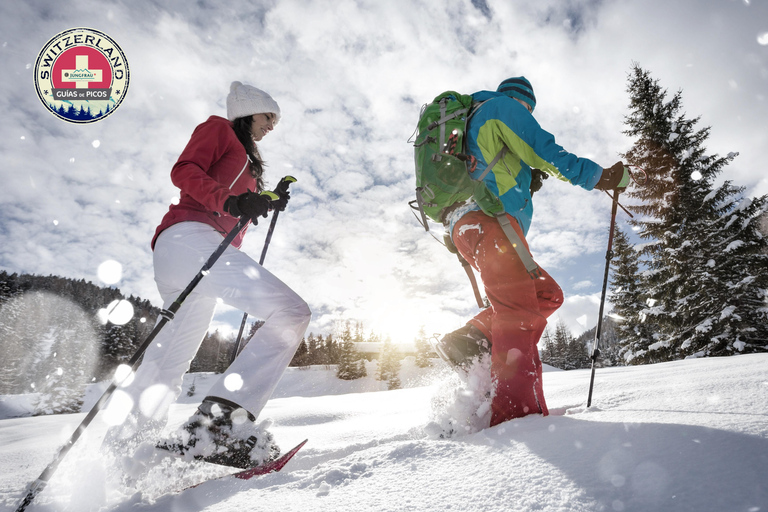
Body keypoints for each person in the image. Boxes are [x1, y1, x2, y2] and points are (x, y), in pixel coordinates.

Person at [103, 81, 311, 469]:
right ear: (249, 111)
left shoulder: (248, 161)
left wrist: (265, 200)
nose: (272, 126)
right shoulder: (219, 129)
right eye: (269, 117)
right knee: (292, 312)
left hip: (189, 250)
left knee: (170, 362)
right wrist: (232, 199)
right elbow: (185, 171)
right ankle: (219, 426)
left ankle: (126, 458)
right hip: (189, 238)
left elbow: (234, 203)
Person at [435, 76, 628, 428]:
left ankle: (472, 338)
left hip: (474, 226)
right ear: (523, 102)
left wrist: (525, 178)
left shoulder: (474, 120)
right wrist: (601, 177)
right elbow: (546, 151)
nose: (529, 114)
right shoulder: (503, 108)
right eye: (530, 109)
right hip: (490, 224)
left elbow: (487, 172)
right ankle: (517, 417)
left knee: (546, 294)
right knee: (518, 313)